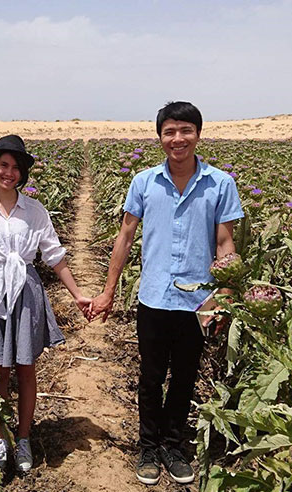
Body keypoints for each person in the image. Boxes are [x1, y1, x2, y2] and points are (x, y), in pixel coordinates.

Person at [89, 102, 244, 485]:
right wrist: (109, 291)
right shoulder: (143, 182)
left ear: (198, 134)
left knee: (185, 376)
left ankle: (174, 448)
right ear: (160, 138)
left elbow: (225, 243)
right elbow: (125, 237)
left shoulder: (220, 183)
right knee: (151, 376)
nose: (178, 139)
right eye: (170, 132)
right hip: (154, 297)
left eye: (185, 130)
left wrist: (222, 297)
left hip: (198, 302)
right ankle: (148, 446)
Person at [0, 135, 91, 473]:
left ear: (23, 174)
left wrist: (77, 294)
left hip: (26, 291)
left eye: (16, 168)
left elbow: (55, 257)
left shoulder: (34, 210)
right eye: (4, 165)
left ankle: (23, 438)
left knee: (25, 367)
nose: (10, 173)